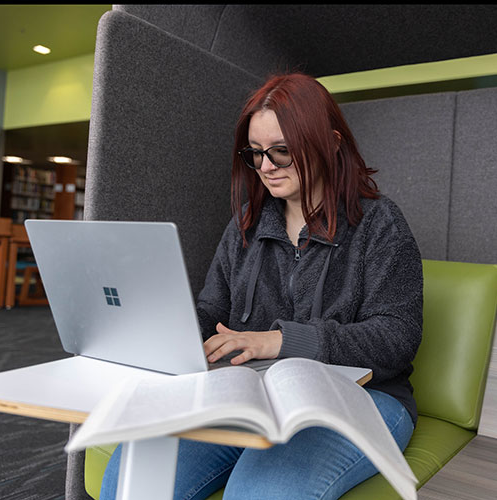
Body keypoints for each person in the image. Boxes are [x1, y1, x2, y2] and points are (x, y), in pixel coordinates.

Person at [100, 72, 423, 499]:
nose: (266, 167)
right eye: (255, 153)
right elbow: (212, 309)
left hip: (363, 398)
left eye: (282, 152)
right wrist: (169, 333)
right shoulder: (248, 223)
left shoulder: (379, 224)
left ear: (331, 143)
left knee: (257, 493)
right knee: (130, 478)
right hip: (248, 393)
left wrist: (281, 341)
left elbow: (396, 337)